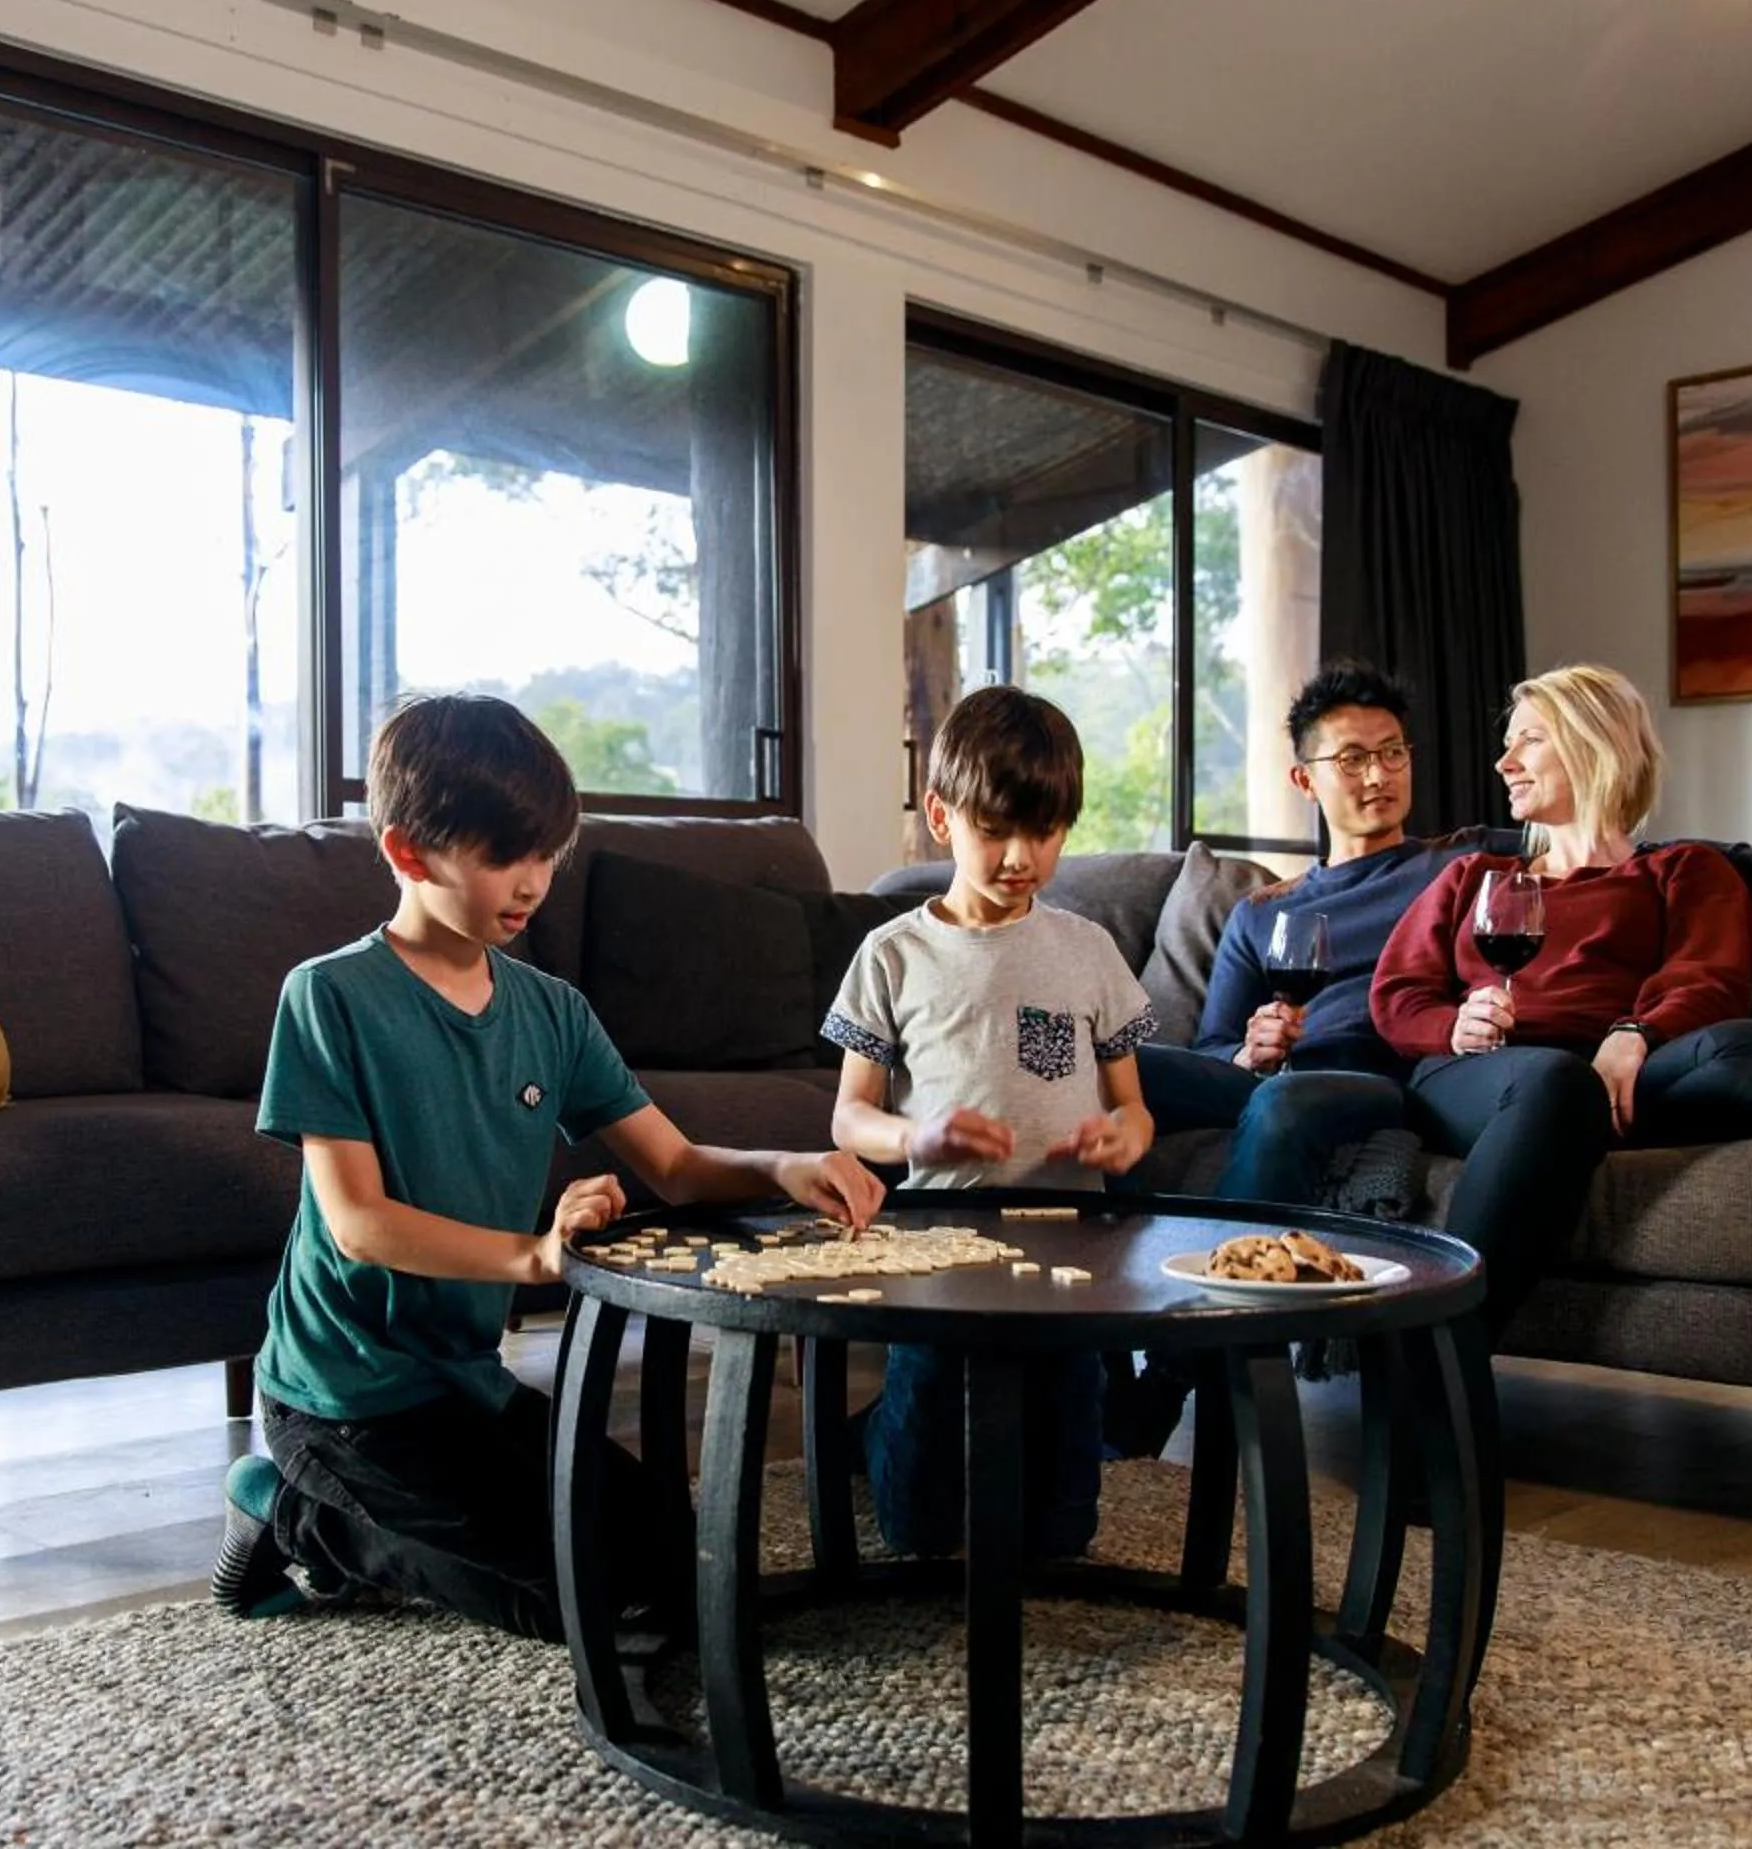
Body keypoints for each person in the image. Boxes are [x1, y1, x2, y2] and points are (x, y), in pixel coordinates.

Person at [212, 694, 884, 1635]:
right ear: (409, 853)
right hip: (343, 1400)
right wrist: (535, 1257)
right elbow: (359, 1226)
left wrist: (785, 1165)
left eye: (547, 859)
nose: (532, 885)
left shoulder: (551, 1011)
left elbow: (677, 1165)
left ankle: (347, 1514)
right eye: (504, 859)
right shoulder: (330, 999)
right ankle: (289, 1510)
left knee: (666, 1552)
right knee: (587, 1603)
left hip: (465, 1383)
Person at [1136, 659, 1752, 1204]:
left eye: (1393, 753)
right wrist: (1248, 1051)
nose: (1378, 774)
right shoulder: (1263, 912)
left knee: (1292, 1104)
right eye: (1351, 759)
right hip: (1288, 1074)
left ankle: (1199, 1345)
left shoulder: (1464, 859)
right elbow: (1212, 1047)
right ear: (1304, 780)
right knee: (1111, 1066)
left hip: (1379, 1077)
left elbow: (1622, 848)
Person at [1368, 664, 1752, 1330]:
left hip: (1625, 1076)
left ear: (1596, 746)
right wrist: (1455, 1025)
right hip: (1479, 1077)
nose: (1504, 762)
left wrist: (1634, 1035)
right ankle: (1441, 1350)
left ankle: (1569, 1128)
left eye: (1529, 741)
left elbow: (1707, 979)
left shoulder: (1682, 870)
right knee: (1558, 1085)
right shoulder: (1472, 876)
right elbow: (1397, 993)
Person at [822, 685, 1157, 1559]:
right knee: (920, 1530)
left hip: (1070, 1248)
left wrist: (1125, 1136)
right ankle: (879, 1428)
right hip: (944, 1244)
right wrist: (914, 1138)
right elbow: (850, 1116)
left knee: (1062, 1532)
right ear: (941, 816)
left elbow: (1135, 1109)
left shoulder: (1089, 950)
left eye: (1045, 832)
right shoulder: (892, 953)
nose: (1022, 857)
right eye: (995, 831)